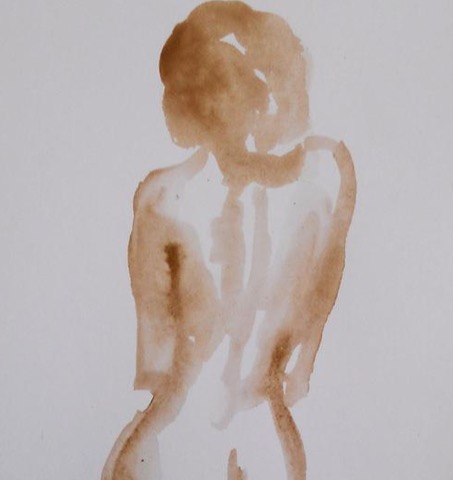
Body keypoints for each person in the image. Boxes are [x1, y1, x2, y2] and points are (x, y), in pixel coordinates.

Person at [102, 2, 356, 479]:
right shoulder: (163, 201)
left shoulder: (306, 202)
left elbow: (157, 353)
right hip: (206, 436)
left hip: (219, 433)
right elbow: (297, 369)